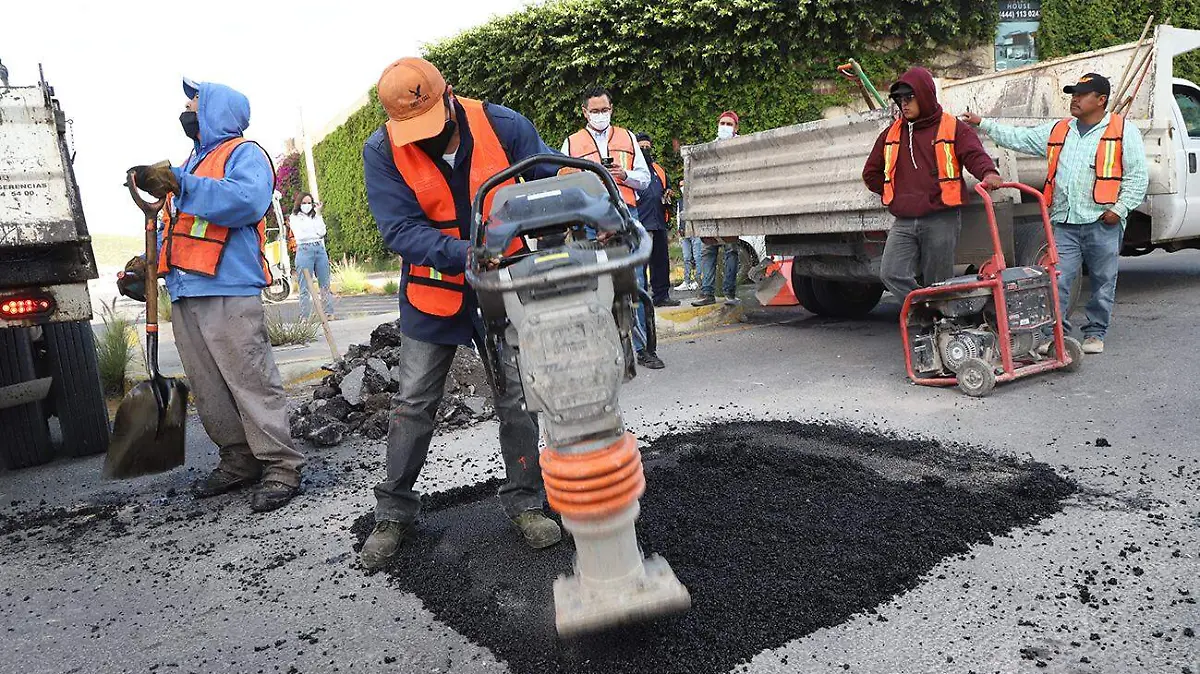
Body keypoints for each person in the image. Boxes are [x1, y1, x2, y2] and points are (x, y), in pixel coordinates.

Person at [359, 57, 563, 569]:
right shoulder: (382, 150)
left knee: (517, 396)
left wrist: (588, 205)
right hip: (434, 291)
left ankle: (525, 502)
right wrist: (463, 255)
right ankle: (394, 513)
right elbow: (399, 230)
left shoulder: (504, 126)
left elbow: (548, 181)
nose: (422, 138)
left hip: (502, 286)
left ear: (448, 95)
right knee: (413, 402)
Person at [122, 78, 305, 512]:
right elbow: (179, 228)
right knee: (210, 387)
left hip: (228, 288)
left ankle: (281, 465)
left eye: (194, 101)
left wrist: (180, 182)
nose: (187, 107)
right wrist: (151, 264)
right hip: (186, 291)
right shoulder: (193, 163)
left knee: (250, 380)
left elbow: (246, 201)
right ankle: (238, 458)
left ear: (216, 111)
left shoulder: (244, 154)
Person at [962, 73, 1148, 354]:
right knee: (1057, 280)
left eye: (1082, 95)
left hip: (1102, 221)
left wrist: (1119, 210)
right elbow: (1020, 138)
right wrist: (983, 123)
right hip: (1064, 222)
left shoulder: (1124, 131)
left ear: (1101, 100)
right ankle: (1054, 334)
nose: (1074, 99)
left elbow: (1137, 177)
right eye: (1073, 94)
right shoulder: (1060, 130)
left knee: (1102, 281)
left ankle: (1095, 333)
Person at [862, 67, 1003, 304]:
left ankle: (942, 328)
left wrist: (988, 173)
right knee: (891, 273)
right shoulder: (892, 133)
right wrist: (897, 196)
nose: (903, 105)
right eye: (899, 100)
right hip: (904, 220)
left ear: (925, 95)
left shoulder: (952, 127)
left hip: (941, 217)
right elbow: (871, 173)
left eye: (909, 98)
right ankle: (927, 311)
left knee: (939, 282)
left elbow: (973, 154)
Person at [562, 88, 662, 368]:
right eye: (594, 111)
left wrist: (624, 175)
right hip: (591, 222)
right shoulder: (572, 144)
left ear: (611, 109)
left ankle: (644, 348)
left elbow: (644, 179)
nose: (600, 115)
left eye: (604, 110)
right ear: (585, 112)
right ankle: (607, 350)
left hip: (625, 216)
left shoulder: (628, 138)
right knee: (596, 286)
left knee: (637, 282)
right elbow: (565, 186)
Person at [693, 111, 744, 307]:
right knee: (708, 248)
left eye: (729, 124)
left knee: (731, 249)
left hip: (731, 206)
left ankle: (729, 293)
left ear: (736, 128)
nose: (724, 126)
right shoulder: (710, 148)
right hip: (711, 206)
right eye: (722, 122)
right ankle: (707, 293)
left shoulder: (742, 147)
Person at [635, 132, 679, 308]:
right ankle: (641, 298)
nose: (645, 150)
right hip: (640, 222)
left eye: (647, 147)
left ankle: (661, 296)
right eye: (641, 147)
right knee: (640, 263)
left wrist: (668, 193)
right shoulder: (633, 170)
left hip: (659, 220)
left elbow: (666, 187)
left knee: (661, 261)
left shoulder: (658, 169)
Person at [288, 192, 335, 320]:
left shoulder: (315, 216)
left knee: (324, 283)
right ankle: (305, 316)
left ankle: (328, 313)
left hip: (319, 248)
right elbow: (301, 234)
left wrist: (318, 213)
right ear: (299, 204)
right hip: (304, 249)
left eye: (309, 203)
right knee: (305, 286)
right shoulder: (295, 217)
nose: (307, 205)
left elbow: (322, 232)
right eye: (304, 203)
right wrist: (312, 231)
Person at [675, 178, 701, 291]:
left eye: (683, 185)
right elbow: (678, 216)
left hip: (695, 232)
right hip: (684, 232)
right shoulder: (680, 202)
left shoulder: (695, 199)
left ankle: (698, 280)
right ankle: (686, 281)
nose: (682, 188)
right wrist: (679, 230)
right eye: (680, 186)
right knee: (686, 257)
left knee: (697, 257)